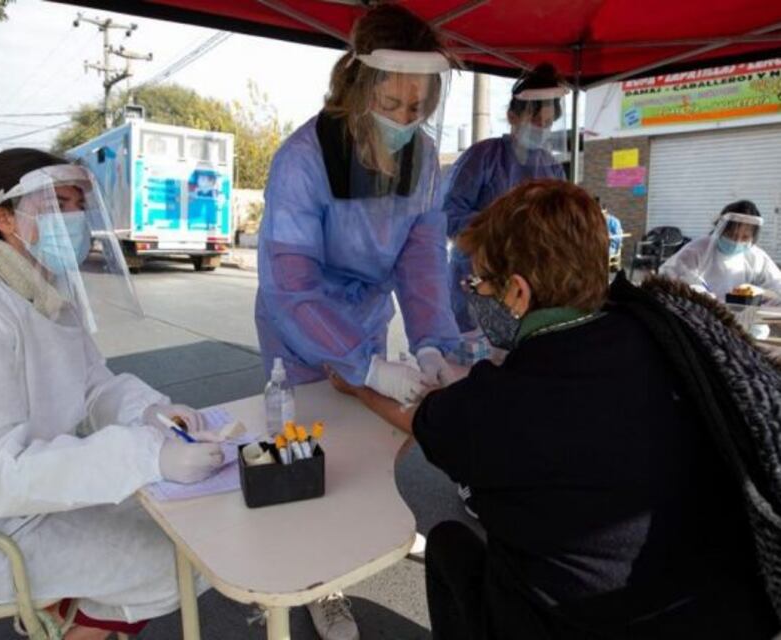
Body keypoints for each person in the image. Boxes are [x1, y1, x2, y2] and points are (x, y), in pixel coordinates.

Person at [327, 180, 776, 639]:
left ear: (518, 294)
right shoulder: (660, 332)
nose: (476, 295)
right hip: (728, 617)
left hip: (582, 624)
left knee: (449, 544)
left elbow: (420, 417)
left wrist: (359, 385)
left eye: (480, 282)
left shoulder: (500, 407)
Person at [0, 148, 224, 639]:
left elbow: (94, 387)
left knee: (188, 527)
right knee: (176, 560)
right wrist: (148, 456)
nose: (74, 218)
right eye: (56, 204)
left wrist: (154, 415)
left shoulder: (42, 293)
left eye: (78, 204)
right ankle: (71, 622)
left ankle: (68, 615)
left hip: (33, 497)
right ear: (3, 218)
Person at [254, 5, 461, 638]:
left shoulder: (422, 158)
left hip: (366, 318)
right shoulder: (302, 159)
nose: (406, 119)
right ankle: (315, 581)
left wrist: (432, 343)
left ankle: (351, 549)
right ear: (358, 86)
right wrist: (361, 363)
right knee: (303, 452)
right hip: (300, 327)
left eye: (419, 107)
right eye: (393, 103)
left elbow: (423, 258)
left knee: (368, 448)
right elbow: (290, 282)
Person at [443, 62, 567, 330]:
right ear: (513, 116)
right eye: (535, 121)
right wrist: (500, 230)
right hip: (476, 281)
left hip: (529, 285)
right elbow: (448, 216)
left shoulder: (552, 167)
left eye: (547, 123)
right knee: (473, 351)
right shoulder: (483, 158)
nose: (541, 129)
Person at [660, 199, 781, 303]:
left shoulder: (756, 257)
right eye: (731, 235)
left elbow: (777, 286)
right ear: (720, 229)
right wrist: (705, 298)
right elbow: (675, 280)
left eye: (745, 237)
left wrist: (761, 292)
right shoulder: (697, 251)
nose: (737, 241)